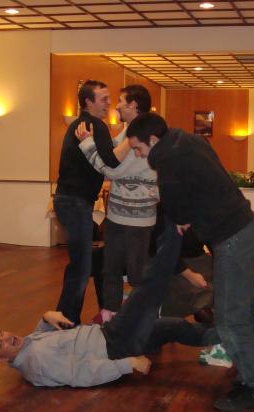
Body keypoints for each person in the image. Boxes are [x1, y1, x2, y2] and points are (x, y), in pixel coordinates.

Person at [126, 113, 254, 411]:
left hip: (231, 239)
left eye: (138, 149)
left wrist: (181, 215)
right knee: (247, 313)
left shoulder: (167, 161)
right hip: (248, 229)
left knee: (230, 319)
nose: (139, 155)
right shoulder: (191, 140)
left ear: (153, 140)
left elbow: (177, 211)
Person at [0, 219, 220, 387]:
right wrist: (128, 364)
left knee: (172, 326)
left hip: (109, 335)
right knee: (149, 290)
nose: (7, 337)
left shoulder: (27, 347)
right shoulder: (37, 362)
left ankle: (226, 335)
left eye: (1, 333)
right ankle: (175, 230)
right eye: (0, 344)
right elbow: (81, 373)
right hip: (115, 345)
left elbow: (45, 340)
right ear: (3, 360)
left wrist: (45, 318)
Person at [76, 84, 158, 322]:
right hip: (117, 215)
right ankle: (111, 317)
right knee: (110, 268)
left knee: (137, 273)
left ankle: (144, 319)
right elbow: (111, 154)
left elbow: (112, 169)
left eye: (121, 101)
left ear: (133, 105)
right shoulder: (127, 131)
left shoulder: (142, 133)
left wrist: (87, 145)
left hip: (138, 218)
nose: (116, 106)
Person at [53, 80, 123, 325]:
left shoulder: (82, 124)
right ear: (88, 102)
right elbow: (111, 161)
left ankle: (65, 318)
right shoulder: (94, 125)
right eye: (104, 99)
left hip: (70, 201)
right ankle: (66, 321)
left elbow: (107, 152)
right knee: (82, 267)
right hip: (74, 202)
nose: (109, 103)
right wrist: (135, 139)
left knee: (82, 264)